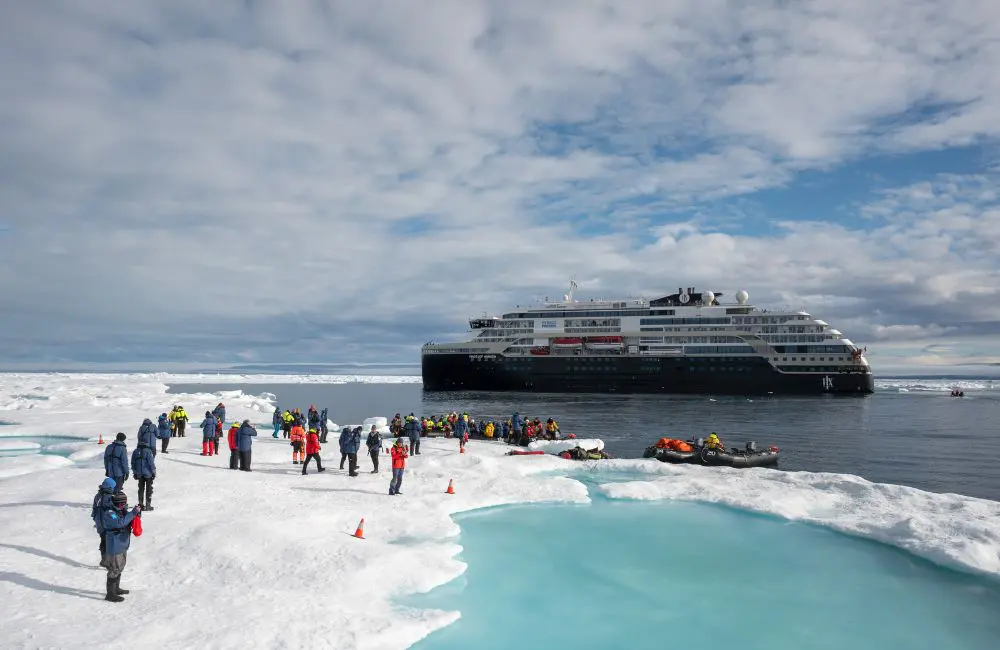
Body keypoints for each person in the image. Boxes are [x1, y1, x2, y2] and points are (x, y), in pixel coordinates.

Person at [98, 490, 141, 602]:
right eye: (122, 504)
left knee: (121, 566)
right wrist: (132, 513)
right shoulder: (109, 513)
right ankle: (110, 594)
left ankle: (116, 588)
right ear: (117, 503)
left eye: (125, 504)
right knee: (114, 568)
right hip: (114, 545)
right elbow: (119, 523)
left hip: (122, 544)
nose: (123, 506)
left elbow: (128, 519)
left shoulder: (122, 511)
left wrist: (136, 514)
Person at [91, 477, 117, 562]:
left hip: (100, 524)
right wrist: (116, 519)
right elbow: (112, 511)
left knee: (103, 541)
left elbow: (94, 510)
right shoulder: (109, 498)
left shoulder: (97, 496)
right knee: (109, 542)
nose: (113, 489)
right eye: (113, 488)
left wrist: (95, 519)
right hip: (108, 525)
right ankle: (109, 560)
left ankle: (104, 560)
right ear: (109, 488)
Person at [130, 440, 156, 511]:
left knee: (141, 489)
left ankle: (141, 505)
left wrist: (135, 472)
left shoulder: (135, 451)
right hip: (148, 473)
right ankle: (148, 505)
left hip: (139, 473)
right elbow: (151, 462)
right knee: (149, 489)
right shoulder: (148, 451)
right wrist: (154, 472)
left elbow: (133, 463)